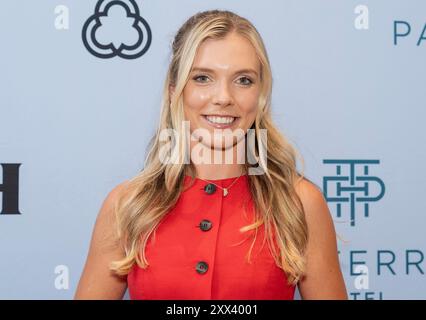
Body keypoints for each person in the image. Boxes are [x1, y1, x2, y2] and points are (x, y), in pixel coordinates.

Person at [74, 9, 347, 300]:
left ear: (261, 94)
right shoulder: (127, 205)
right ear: (174, 91)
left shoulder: (300, 203)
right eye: (203, 78)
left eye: (243, 80)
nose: (223, 97)